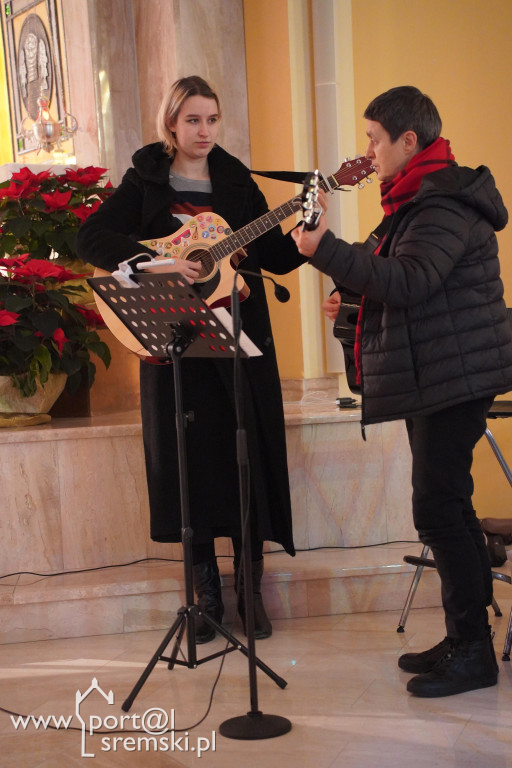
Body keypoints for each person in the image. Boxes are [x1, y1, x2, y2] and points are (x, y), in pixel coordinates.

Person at [292, 85, 512, 697]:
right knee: (451, 506)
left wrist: (327, 252)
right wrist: (354, 294)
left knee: (436, 508)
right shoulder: (420, 197)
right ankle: (464, 639)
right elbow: (401, 277)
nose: (368, 150)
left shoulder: (442, 203)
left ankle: (473, 652)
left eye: (373, 138)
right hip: (440, 373)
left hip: (454, 376)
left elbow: (412, 281)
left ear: (407, 141)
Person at [77, 75, 308, 643]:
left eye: (212, 120)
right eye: (192, 121)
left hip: (238, 338)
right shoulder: (145, 180)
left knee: (244, 453)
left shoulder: (236, 179)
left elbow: (274, 256)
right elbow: (92, 237)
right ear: (172, 125)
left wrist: (307, 232)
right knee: (190, 464)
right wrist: (154, 262)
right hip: (175, 341)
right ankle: (204, 595)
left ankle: (248, 590)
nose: (204, 131)